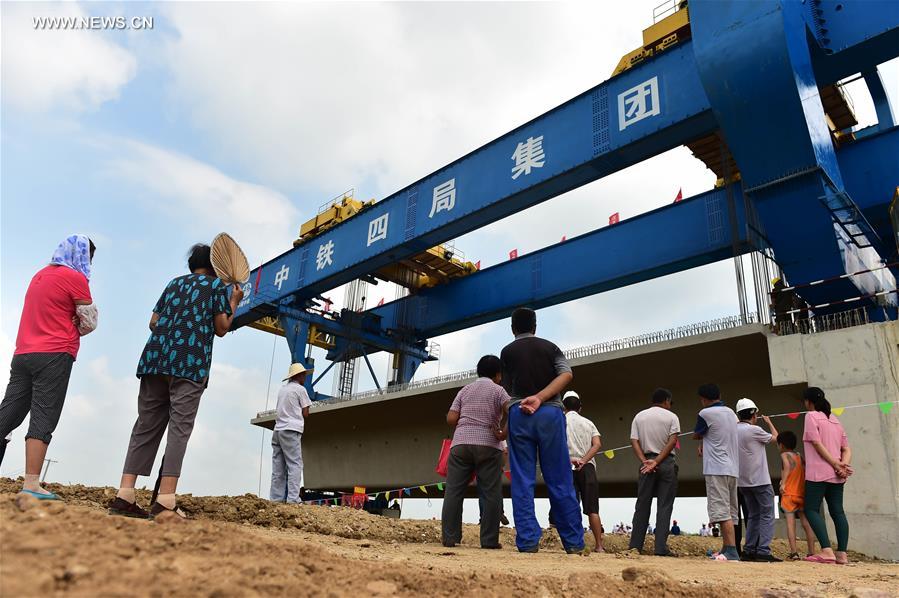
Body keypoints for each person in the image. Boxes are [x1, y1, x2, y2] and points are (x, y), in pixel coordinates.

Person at [109, 243, 243, 518]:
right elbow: (221, 328)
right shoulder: (216, 287)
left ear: (192, 263)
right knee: (179, 428)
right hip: (190, 363)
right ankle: (166, 500)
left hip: (155, 359)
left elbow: (153, 322)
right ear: (215, 266)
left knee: (145, 426)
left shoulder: (173, 284)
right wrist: (233, 302)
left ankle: (125, 495)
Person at [0, 235, 98, 499]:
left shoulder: (40, 275)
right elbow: (89, 321)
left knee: (8, 413)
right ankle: (31, 484)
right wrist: (73, 326)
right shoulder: (76, 279)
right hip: (54, 353)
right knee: (44, 415)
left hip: (23, 353)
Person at [501, 307, 583, 554]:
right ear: (535, 326)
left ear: (513, 328)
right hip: (550, 413)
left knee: (523, 480)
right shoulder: (550, 347)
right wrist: (541, 397)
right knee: (559, 478)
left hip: (519, 413)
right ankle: (574, 543)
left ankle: (527, 541)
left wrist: (523, 403)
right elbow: (566, 374)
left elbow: (508, 389)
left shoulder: (507, 351)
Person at [442, 355, 510, 549]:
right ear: (497, 375)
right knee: (490, 493)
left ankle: (450, 537)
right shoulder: (499, 390)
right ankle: (488, 541)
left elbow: (451, 418)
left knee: (454, 491)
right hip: (489, 445)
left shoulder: (465, 390)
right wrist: (503, 432)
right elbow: (512, 409)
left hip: (461, 444)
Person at [801, 387, 852, 564]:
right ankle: (842, 554)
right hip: (838, 474)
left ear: (808, 402)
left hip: (818, 472)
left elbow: (816, 443)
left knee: (811, 509)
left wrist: (835, 464)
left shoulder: (811, 416)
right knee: (838, 511)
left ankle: (826, 550)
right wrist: (842, 464)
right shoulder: (835, 420)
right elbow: (846, 448)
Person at [628, 387, 680, 556]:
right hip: (666, 463)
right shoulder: (672, 417)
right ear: (666, 400)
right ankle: (660, 548)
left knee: (642, 504)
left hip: (645, 462)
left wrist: (645, 461)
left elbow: (634, 441)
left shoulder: (639, 416)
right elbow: (672, 442)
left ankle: (635, 547)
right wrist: (657, 461)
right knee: (664, 506)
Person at [693, 383, 741, 561]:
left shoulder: (705, 413)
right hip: (732, 467)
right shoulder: (731, 412)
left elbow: (697, 433)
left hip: (716, 467)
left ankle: (730, 550)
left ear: (703, 399)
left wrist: (701, 441)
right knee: (731, 510)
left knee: (721, 511)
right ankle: (727, 548)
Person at [735, 398, 782, 562]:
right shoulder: (754, 430)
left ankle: (749, 550)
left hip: (743, 482)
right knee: (767, 515)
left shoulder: (733, 430)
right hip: (760, 481)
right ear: (754, 414)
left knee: (753, 516)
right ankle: (763, 550)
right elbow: (777, 438)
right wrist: (769, 422)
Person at [562, 391, 604, 553]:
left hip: (567, 466)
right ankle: (599, 546)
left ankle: (574, 543)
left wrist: (570, 460)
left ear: (563, 407)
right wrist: (584, 460)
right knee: (592, 509)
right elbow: (597, 444)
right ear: (580, 407)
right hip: (587, 467)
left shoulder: (560, 422)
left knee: (571, 507)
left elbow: (556, 446)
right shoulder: (588, 423)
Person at [271, 362, 314, 503]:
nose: (305, 378)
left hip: (278, 430)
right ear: (299, 376)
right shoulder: (300, 390)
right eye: (304, 375)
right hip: (291, 430)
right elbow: (306, 413)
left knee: (278, 468)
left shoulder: (283, 389)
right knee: (295, 465)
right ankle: (293, 500)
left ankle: (276, 499)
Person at [777, 430, 817, 560]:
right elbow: (805, 468)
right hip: (801, 493)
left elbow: (787, 466)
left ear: (781, 445)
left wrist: (783, 482)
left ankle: (794, 552)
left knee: (791, 524)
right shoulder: (799, 456)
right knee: (806, 523)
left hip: (789, 494)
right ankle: (811, 552)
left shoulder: (784, 455)